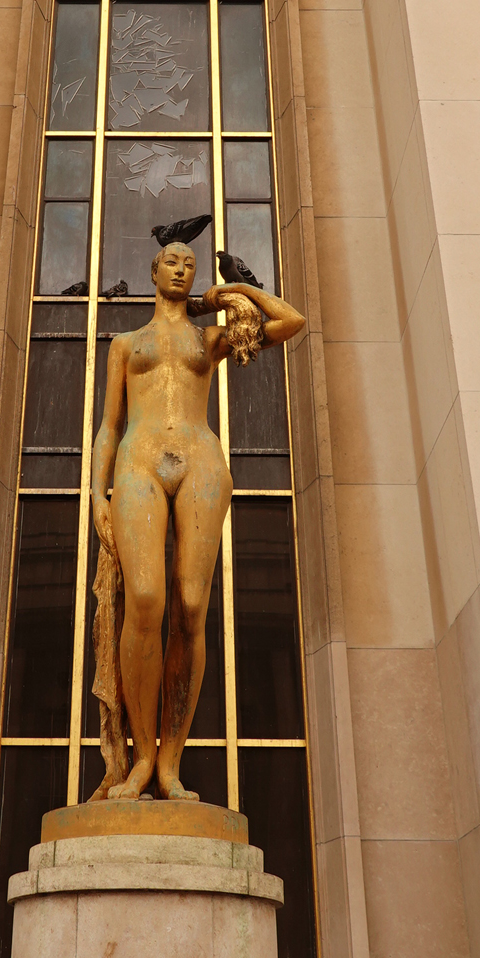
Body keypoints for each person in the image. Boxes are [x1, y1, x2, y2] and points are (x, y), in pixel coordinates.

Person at [90, 239, 304, 800]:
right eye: (171, 262)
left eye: (190, 264)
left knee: (190, 605)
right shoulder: (125, 343)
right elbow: (108, 427)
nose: (182, 270)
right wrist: (95, 493)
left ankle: (170, 764)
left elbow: (292, 321)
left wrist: (230, 292)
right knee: (144, 600)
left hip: (201, 463)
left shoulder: (209, 339)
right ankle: (140, 759)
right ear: (152, 270)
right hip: (138, 463)